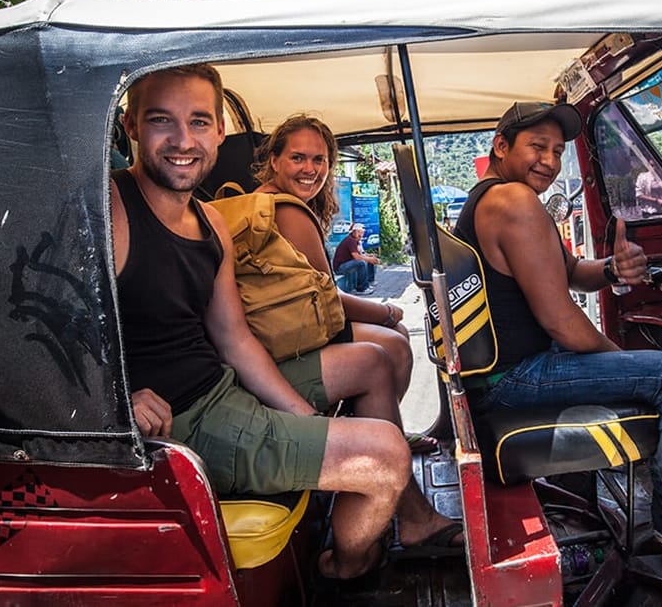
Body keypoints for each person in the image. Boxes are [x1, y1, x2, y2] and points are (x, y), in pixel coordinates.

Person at [110, 65, 457, 580]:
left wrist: (304, 419)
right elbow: (42, 334)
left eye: (200, 122)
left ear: (219, 132)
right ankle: (344, 568)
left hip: (223, 387)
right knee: (384, 456)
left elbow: (234, 339)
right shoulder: (109, 210)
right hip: (179, 423)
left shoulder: (211, 225)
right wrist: (114, 397)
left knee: (371, 360)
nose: (183, 140)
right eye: (162, 121)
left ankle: (368, 509)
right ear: (132, 127)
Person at [453, 100, 662, 555]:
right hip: (516, 378)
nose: (550, 161)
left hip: (506, 372)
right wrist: (631, 368)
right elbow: (561, 321)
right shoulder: (513, 201)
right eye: (537, 147)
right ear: (501, 146)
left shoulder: (493, 198)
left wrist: (612, 270)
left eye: (559, 150)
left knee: (647, 368)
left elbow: (573, 270)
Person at [252, 114, 436, 454]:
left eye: (319, 159)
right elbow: (330, 301)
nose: (310, 168)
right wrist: (387, 309)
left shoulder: (260, 201)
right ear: (274, 160)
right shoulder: (286, 211)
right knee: (394, 343)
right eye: (298, 157)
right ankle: (376, 440)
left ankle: (378, 424)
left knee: (391, 333)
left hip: (284, 324)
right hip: (286, 336)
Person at [332, 223, 380, 295]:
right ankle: (361, 289)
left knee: (368, 260)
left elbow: (361, 254)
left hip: (346, 264)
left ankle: (370, 282)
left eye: (361, 232)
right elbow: (356, 257)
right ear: (353, 232)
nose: (360, 234)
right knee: (361, 263)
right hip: (340, 268)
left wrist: (370, 257)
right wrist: (369, 259)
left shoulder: (355, 240)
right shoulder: (351, 241)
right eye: (358, 232)